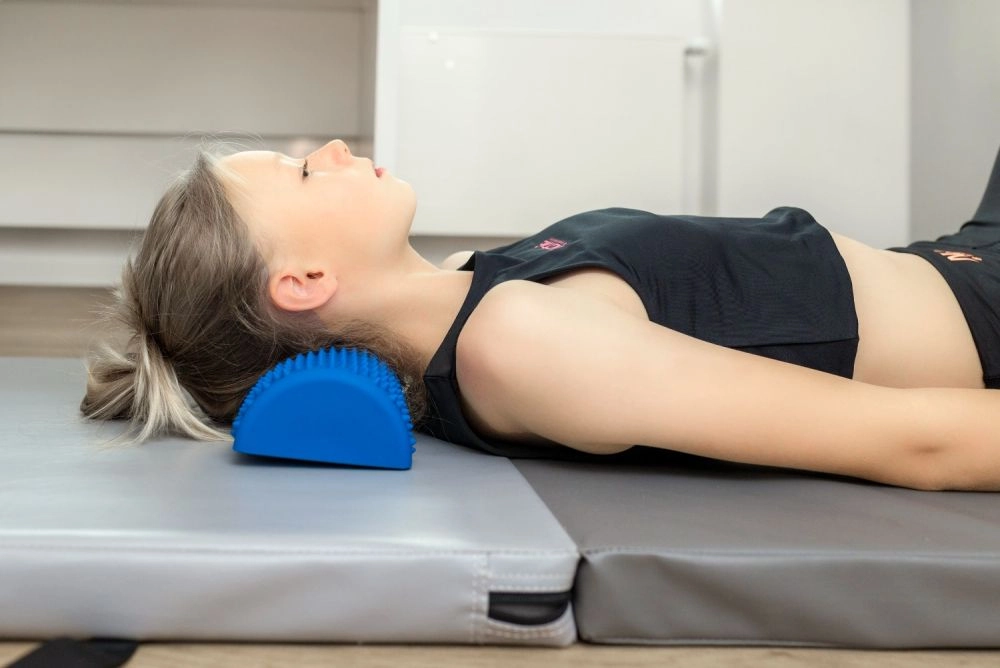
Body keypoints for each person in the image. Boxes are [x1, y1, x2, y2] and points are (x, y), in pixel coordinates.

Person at [81, 139, 1000, 491]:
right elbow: (912, 441)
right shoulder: (517, 346)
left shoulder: (467, 286)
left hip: (959, 253)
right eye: (304, 174)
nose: (332, 148)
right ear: (305, 280)